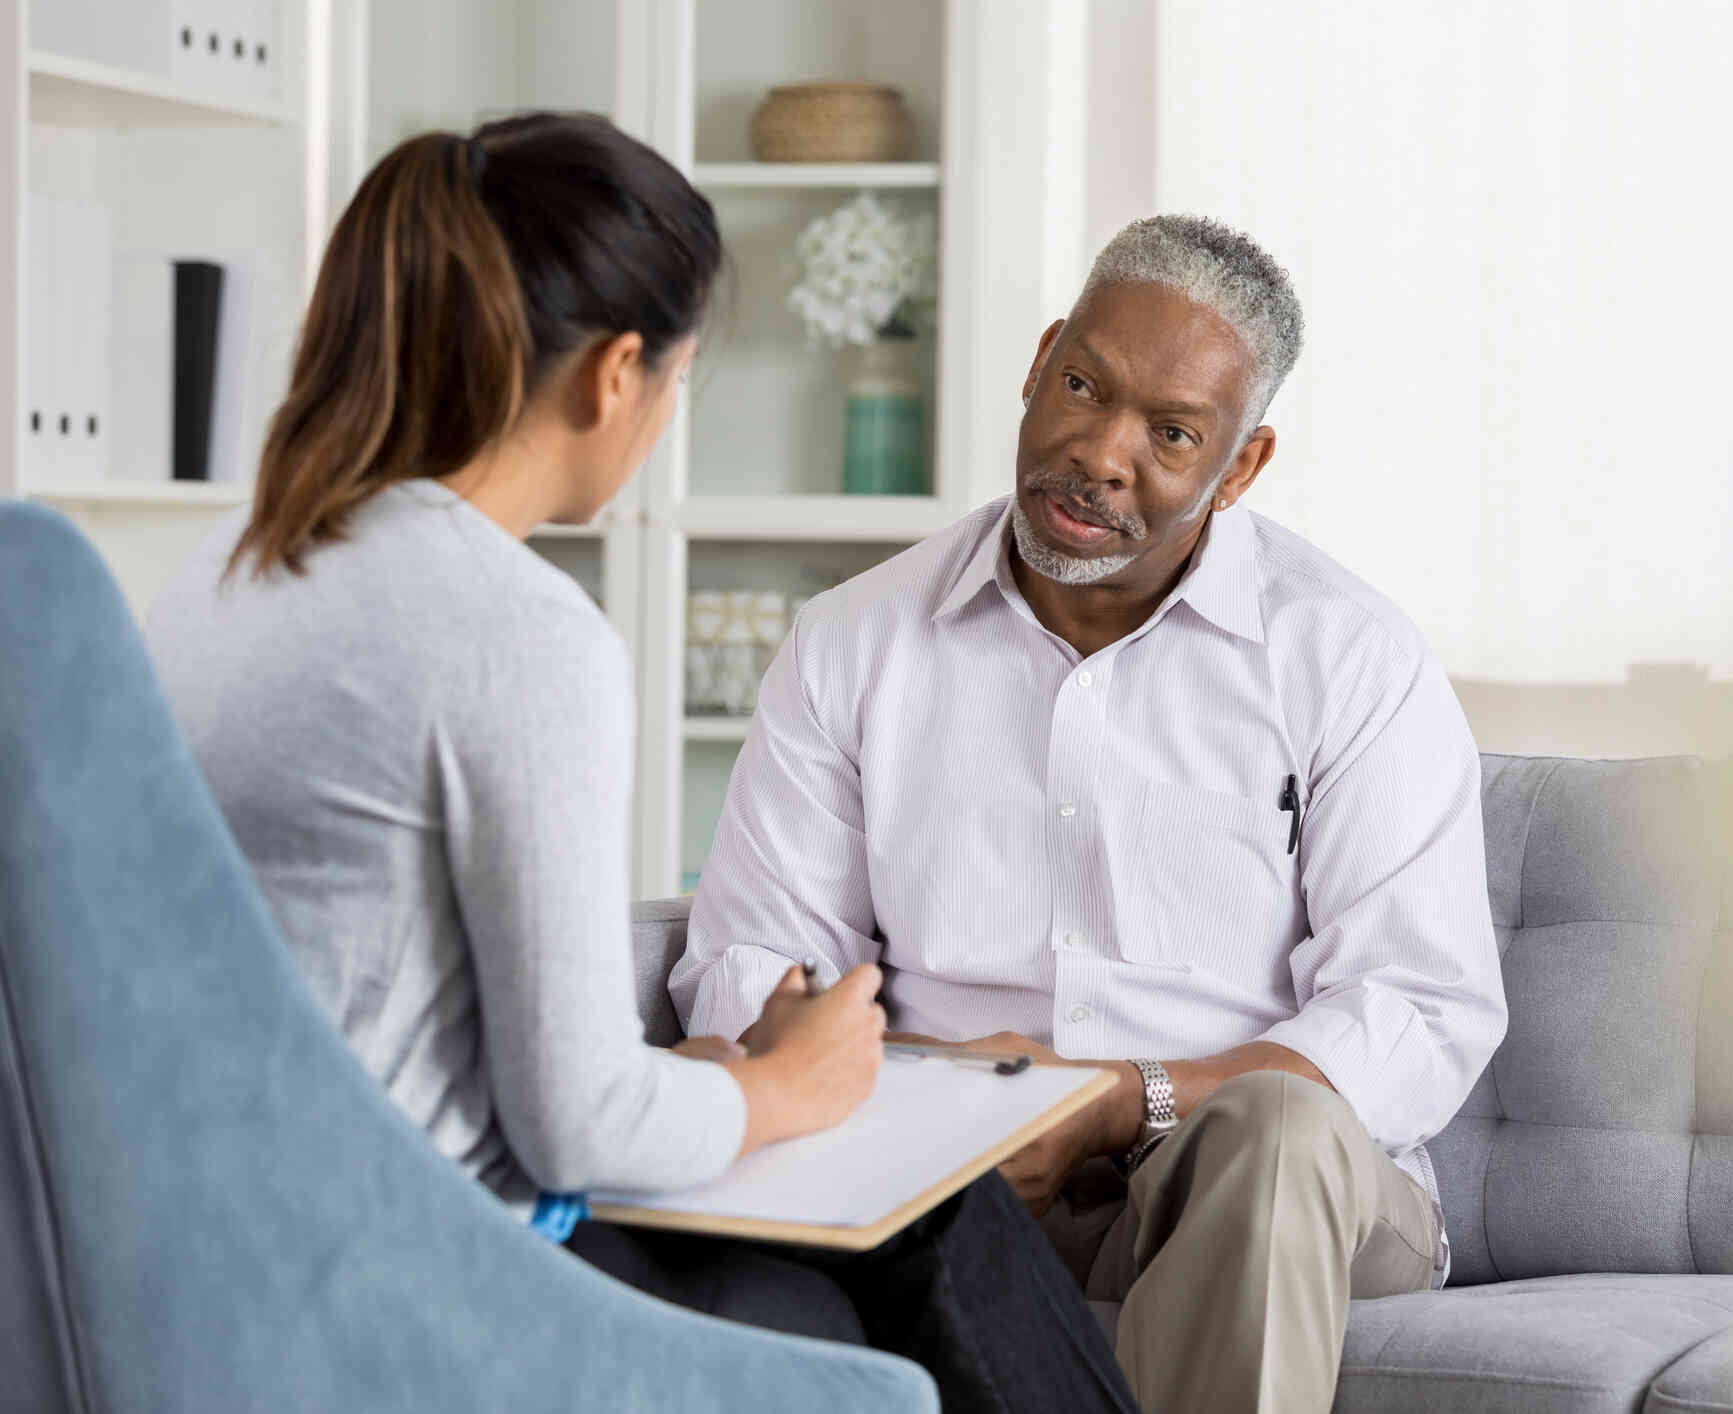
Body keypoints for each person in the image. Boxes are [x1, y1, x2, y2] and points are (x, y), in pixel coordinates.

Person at [145, 113, 1136, 1414]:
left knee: (860, 1254)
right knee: (921, 1221)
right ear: (615, 374)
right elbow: (575, 1129)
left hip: (235, 1242)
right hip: (416, 1275)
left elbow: (414, 1027)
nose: (666, 414)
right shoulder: (513, 628)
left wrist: (734, 1080)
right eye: (678, 382)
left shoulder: (223, 575)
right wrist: (790, 1083)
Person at [671, 213, 1509, 1414]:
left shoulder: (1348, 657)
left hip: (1262, 1174)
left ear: (1243, 464)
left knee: (1276, 1136)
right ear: (1039, 360)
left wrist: (1122, 1096)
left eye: (1171, 434)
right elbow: (755, 955)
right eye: (1083, 386)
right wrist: (920, 1098)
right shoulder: (853, 641)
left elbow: (1417, 1014)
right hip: (955, 1171)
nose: (1102, 454)